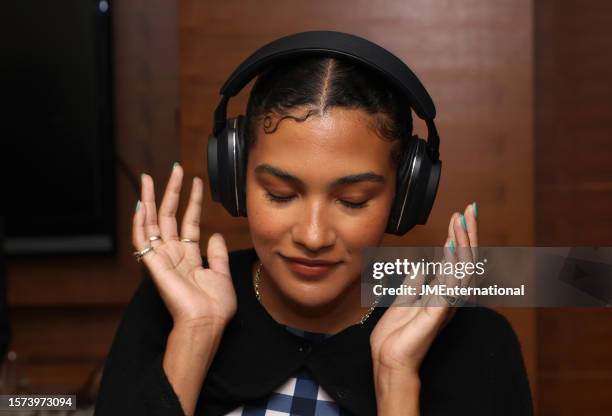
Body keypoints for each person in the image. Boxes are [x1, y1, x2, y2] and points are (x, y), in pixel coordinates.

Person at [95, 32, 533, 416]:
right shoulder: (171, 307)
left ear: (403, 200)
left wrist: (395, 375)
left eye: (352, 200)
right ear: (234, 180)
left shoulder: (476, 342)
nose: (313, 236)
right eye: (280, 195)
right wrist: (194, 334)